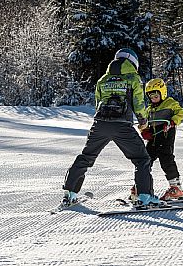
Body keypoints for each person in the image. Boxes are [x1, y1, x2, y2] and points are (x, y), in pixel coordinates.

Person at [62, 48, 160, 206]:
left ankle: (70, 193)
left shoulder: (103, 79)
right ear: (133, 62)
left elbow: (97, 103)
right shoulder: (133, 78)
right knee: (141, 159)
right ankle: (144, 197)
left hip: (100, 124)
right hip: (122, 126)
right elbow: (139, 104)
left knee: (86, 157)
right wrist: (143, 123)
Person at [139, 78, 183, 201]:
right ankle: (141, 187)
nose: (153, 98)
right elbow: (143, 123)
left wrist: (172, 121)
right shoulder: (149, 109)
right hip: (153, 140)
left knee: (166, 160)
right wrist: (144, 131)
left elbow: (181, 114)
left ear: (163, 92)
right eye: (150, 96)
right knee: (145, 160)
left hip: (166, 137)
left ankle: (175, 187)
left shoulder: (170, 103)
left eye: (156, 95)